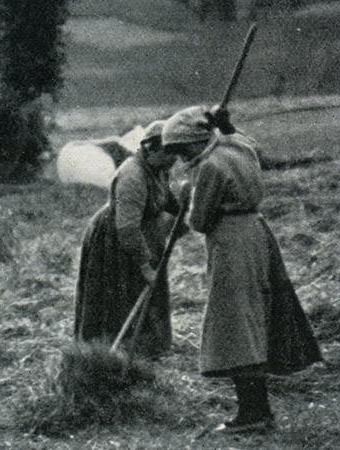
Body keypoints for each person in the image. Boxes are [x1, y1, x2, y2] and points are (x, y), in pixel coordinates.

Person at [163, 105, 322, 434]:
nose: (181, 159)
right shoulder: (238, 146)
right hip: (257, 235)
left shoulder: (208, 167)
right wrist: (227, 124)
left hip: (231, 243)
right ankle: (257, 410)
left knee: (235, 325)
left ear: (194, 140)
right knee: (250, 319)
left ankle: (253, 414)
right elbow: (239, 137)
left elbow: (200, 221)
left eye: (182, 150)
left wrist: (187, 195)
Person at [73, 120, 180, 358]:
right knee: (119, 295)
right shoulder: (133, 175)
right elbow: (128, 228)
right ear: (150, 149)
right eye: (169, 154)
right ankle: (110, 355)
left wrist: (183, 208)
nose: (174, 161)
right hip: (116, 240)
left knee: (146, 295)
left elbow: (168, 199)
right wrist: (144, 265)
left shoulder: (158, 169)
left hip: (141, 236)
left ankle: (147, 350)